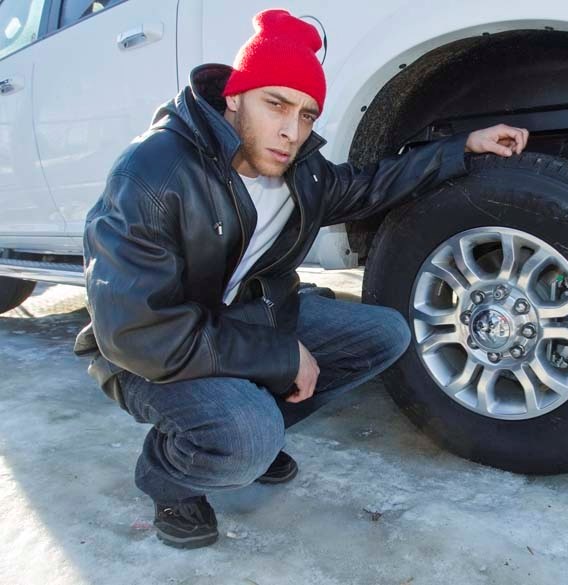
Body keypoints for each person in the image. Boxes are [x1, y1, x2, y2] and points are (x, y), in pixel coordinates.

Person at [74, 8, 529, 549]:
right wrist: (280, 357)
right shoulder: (152, 174)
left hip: (235, 323)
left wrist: (464, 146)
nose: (291, 132)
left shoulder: (299, 172)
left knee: (386, 333)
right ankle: (169, 475)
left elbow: (369, 184)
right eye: (276, 105)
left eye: (308, 114)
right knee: (245, 440)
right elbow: (138, 334)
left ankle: (255, 426)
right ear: (235, 96)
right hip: (147, 356)